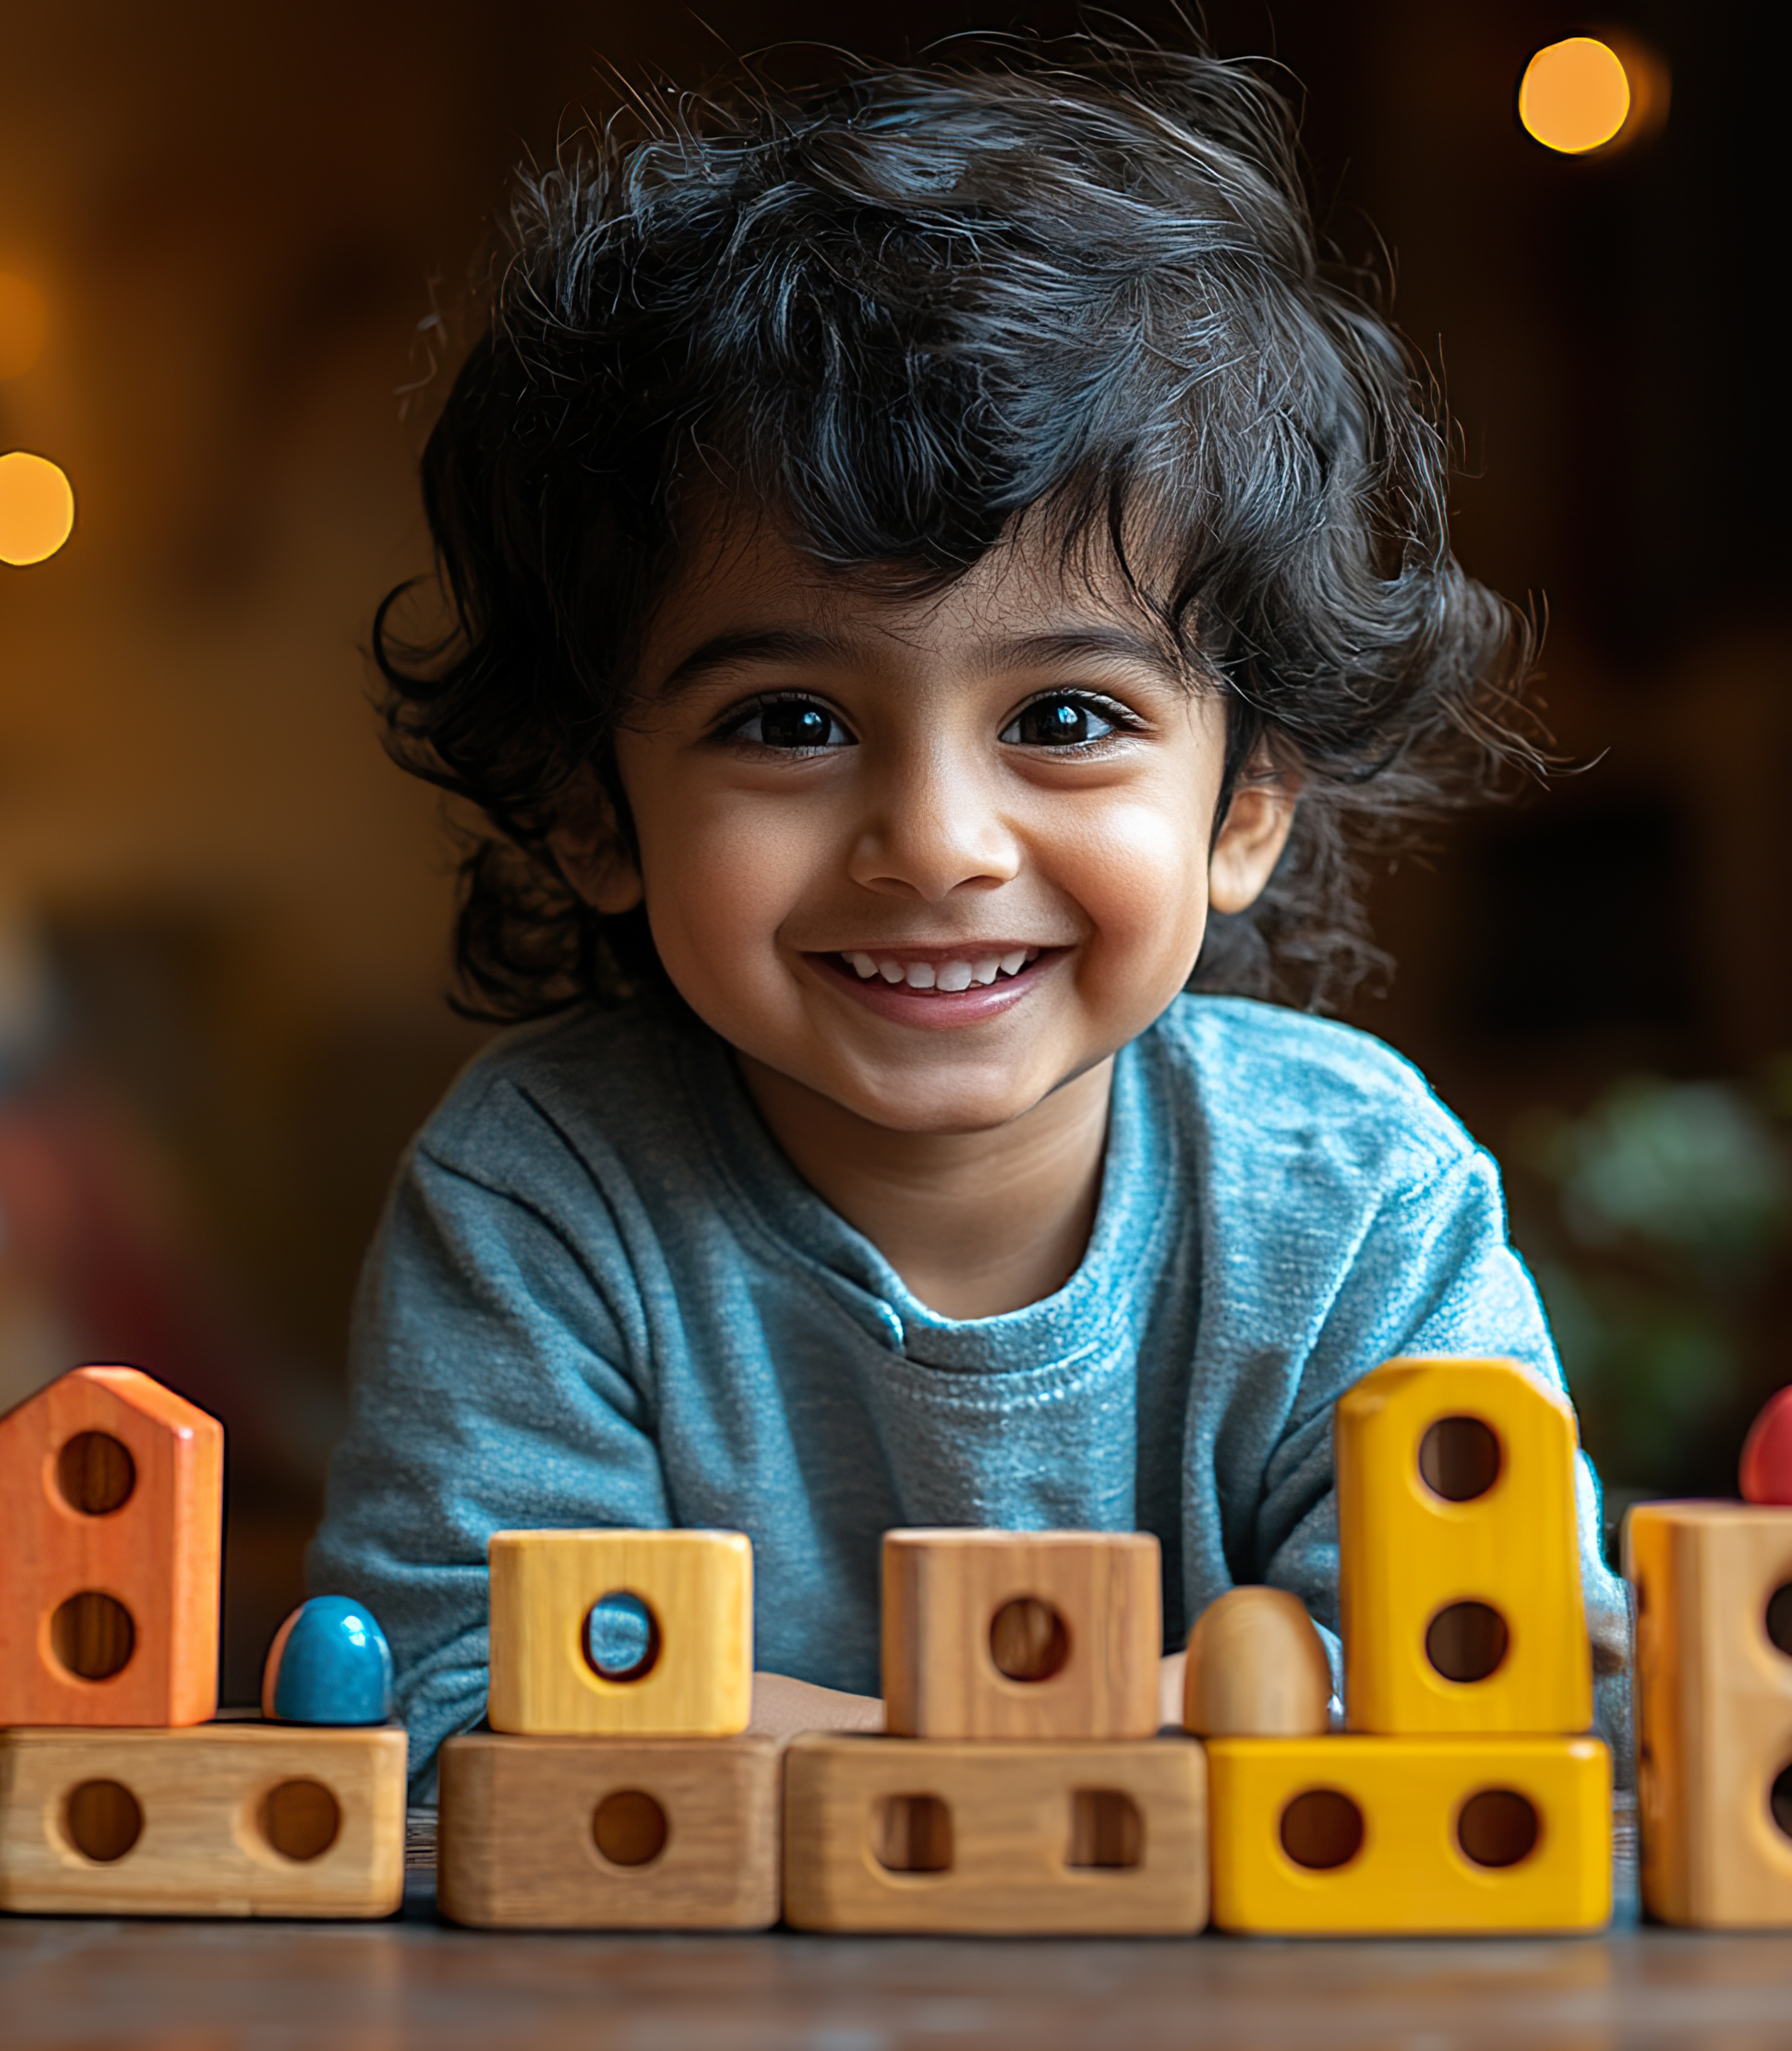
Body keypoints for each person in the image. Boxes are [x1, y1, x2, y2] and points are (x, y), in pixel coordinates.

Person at [309, 37, 1628, 1785]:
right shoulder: (545, 1198)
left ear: (1247, 804)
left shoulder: (1357, 1198)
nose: (935, 843)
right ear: (589, 810)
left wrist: (896, 1755)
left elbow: (1496, 1666)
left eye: (1064, 720)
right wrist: (1015, 1762)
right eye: (789, 723)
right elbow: (443, 1703)